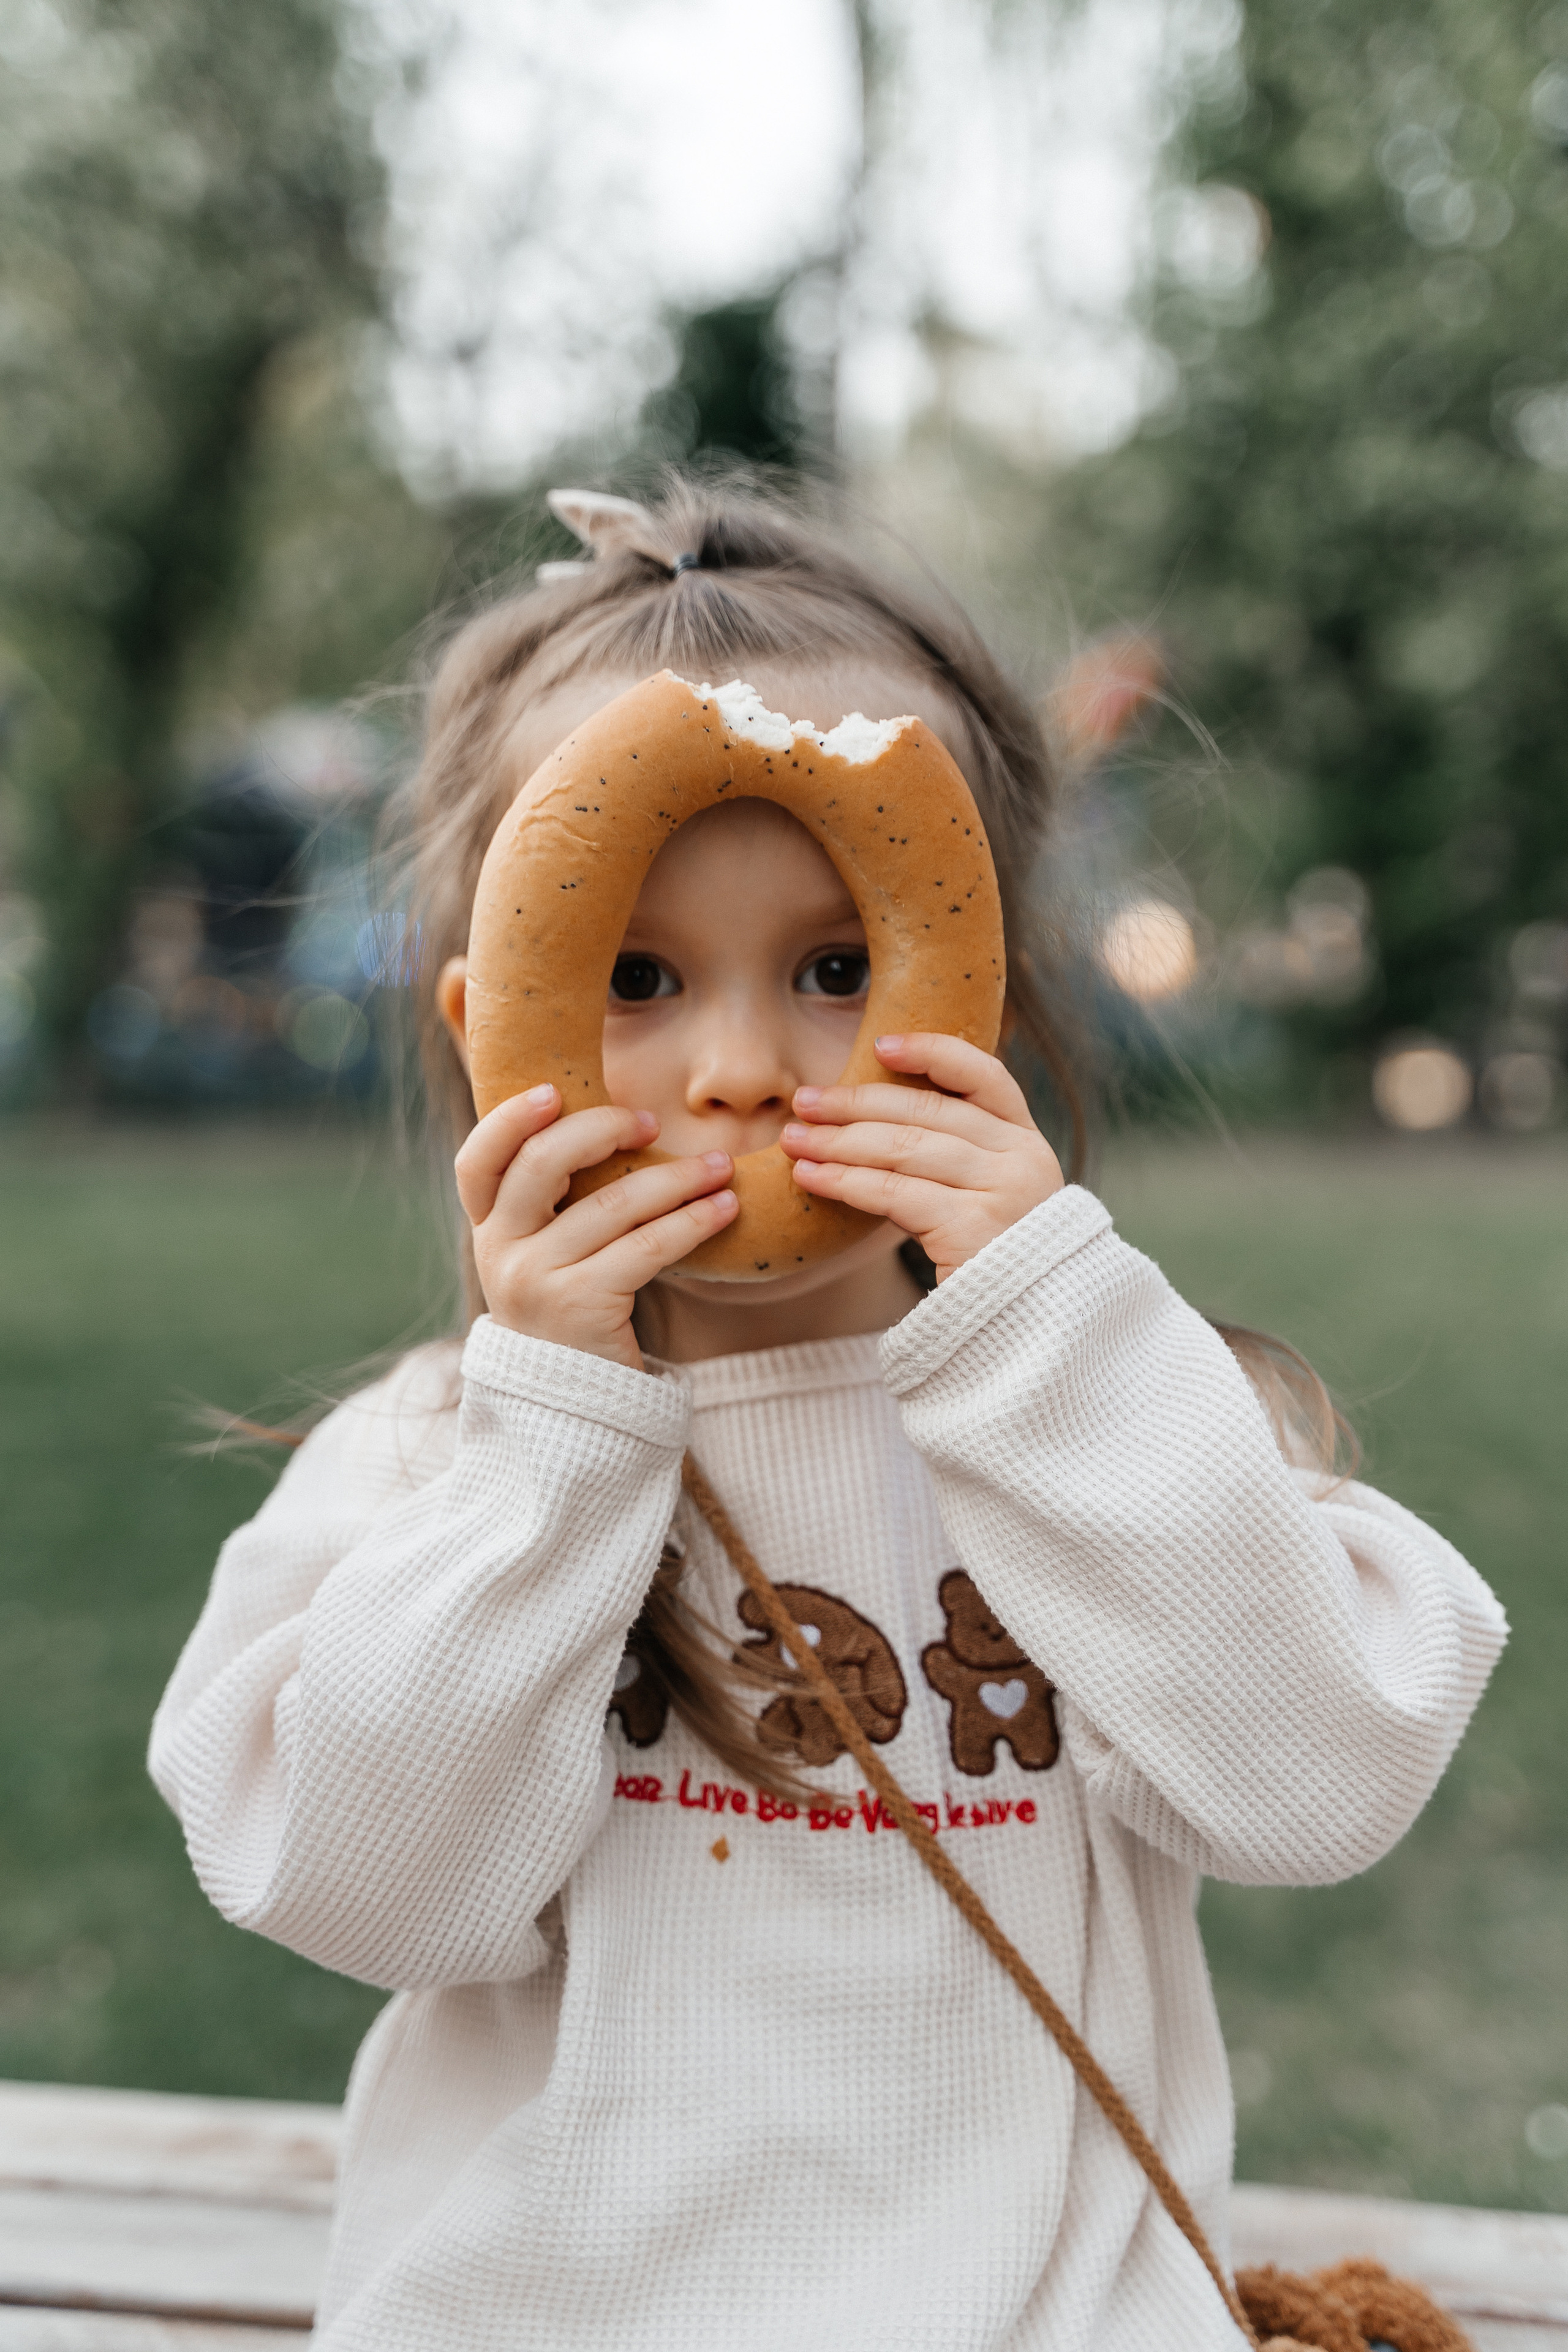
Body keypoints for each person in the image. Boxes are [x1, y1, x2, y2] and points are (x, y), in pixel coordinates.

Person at [149, 478, 1506, 2351]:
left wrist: (1052, 1341)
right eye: (633, 979)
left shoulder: (1112, 1415)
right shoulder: (428, 1466)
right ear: (491, 1027)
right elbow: (374, 1899)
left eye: (838, 970)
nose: (740, 1072)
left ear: (991, 999)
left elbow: (1315, 1787)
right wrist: (551, 1439)